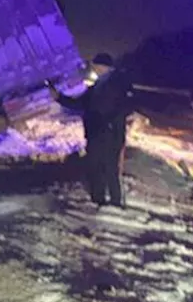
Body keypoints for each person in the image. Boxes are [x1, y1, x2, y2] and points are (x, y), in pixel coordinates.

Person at [48, 53, 136, 207]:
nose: (93, 68)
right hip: (96, 133)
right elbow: (81, 103)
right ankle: (99, 199)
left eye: (95, 65)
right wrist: (60, 98)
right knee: (95, 167)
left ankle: (115, 203)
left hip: (109, 134)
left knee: (109, 169)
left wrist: (110, 122)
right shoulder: (97, 85)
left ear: (104, 66)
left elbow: (125, 106)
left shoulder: (117, 82)